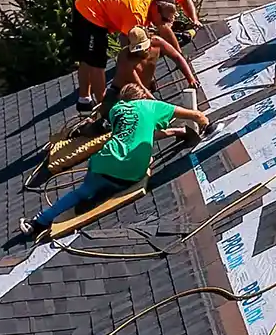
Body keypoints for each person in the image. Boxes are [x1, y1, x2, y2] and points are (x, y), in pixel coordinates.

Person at [22, 76, 208, 238]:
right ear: (142, 96)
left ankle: (38, 222)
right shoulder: (152, 106)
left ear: (122, 99)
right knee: (139, 164)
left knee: (80, 192)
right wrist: (205, 125)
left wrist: (176, 131)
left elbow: (134, 131)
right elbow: (195, 116)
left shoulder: (116, 110)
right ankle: (104, 191)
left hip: (105, 162)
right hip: (133, 172)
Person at [69, 0, 197, 111]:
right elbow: (129, 55)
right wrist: (145, 84)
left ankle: (84, 101)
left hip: (88, 3)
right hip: (90, 8)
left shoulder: (151, 5)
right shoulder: (136, 16)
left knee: (87, 57)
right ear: (157, 11)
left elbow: (166, 37)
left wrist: (187, 71)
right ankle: (103, 105)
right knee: (97, 61)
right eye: (165, 20)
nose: (165, 24)